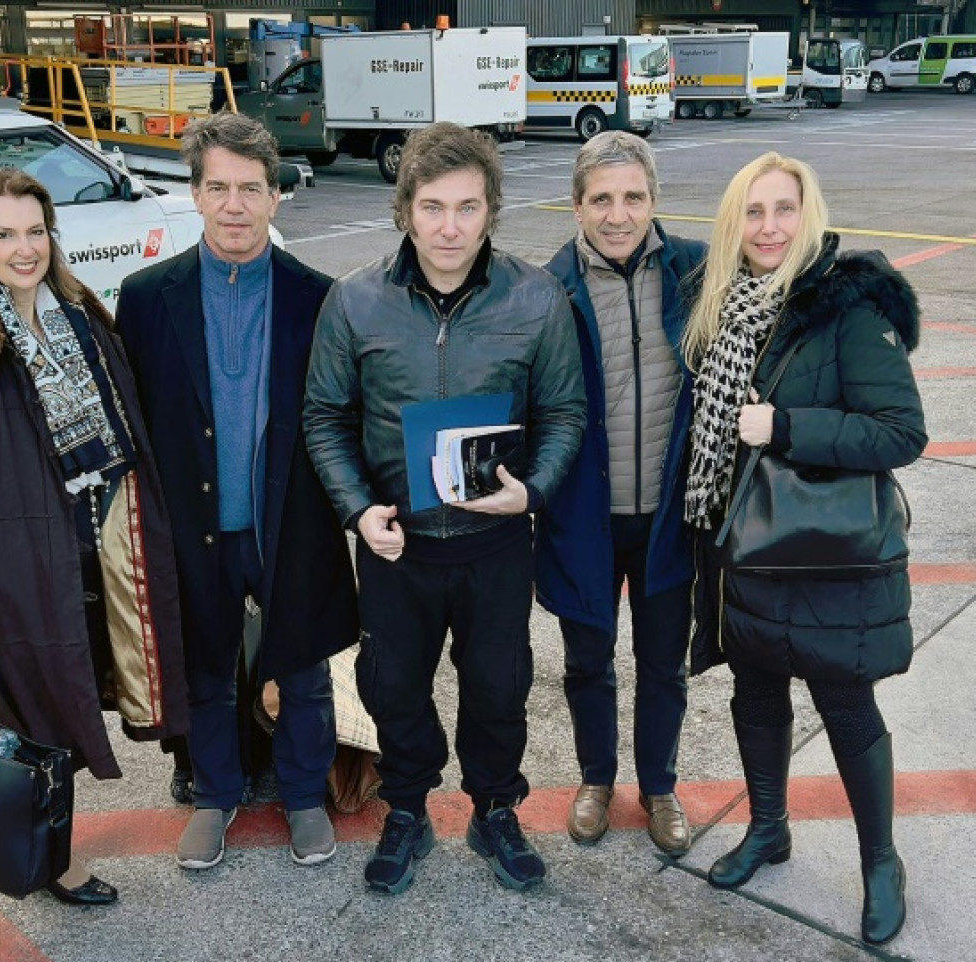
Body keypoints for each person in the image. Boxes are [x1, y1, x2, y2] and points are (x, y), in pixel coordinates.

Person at [304, 122, 587, 895]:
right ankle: (406, 809)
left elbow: (564, 413)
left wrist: (534, 492)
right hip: (397, 545)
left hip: (495, 543)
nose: (450, 227)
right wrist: (359, 510)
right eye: (433, 207)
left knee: (500, 686)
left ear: (492, 209)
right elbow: (324, 418)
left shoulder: (536, 297)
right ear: (405, 210)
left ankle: (495, 809)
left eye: (467, 207)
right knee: (392, 686)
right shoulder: (355, 300)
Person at [0, 168, 190, 906]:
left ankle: (56, 840)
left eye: (35, 231)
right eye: (4, 234)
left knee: (85, 686)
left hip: (102, 536)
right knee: (34, 711)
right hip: (14, 559)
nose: (24, 248)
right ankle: (53, 861)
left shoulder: (80, 310)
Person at [683, 152, 927, 945]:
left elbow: (901, 431)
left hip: (823, 552)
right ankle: (767, 827)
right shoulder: (728, 306)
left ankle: (881, 862)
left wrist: (786, 427)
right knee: (754, 695)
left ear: (809, 213)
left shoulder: (847, 309)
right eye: (753, 212)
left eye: (784, 209)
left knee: (847, 708)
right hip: (743, 543)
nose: (769, 227)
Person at [115, 113, 358, 871]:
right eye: (217, 187)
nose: (234, 205)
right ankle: (215, 795)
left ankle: (305, 794)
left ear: (275, 196)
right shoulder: (148, 297)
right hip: (193, 524)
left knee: (304, 666)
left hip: (291, 522)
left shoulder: (319, 297)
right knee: (208, 670)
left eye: (250, 188)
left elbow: (342, 413)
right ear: (193, 194)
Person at [535, 132, 706, 854]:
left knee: (664, 663)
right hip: (585, 518)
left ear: (653, 201)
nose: (618, 214)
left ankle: (659, 785)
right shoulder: (546, 289)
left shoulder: (698, 271)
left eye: (632, 197)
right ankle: (597, 777)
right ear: (577, 206)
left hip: (669, 515)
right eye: (601, 199)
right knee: (588, 661)